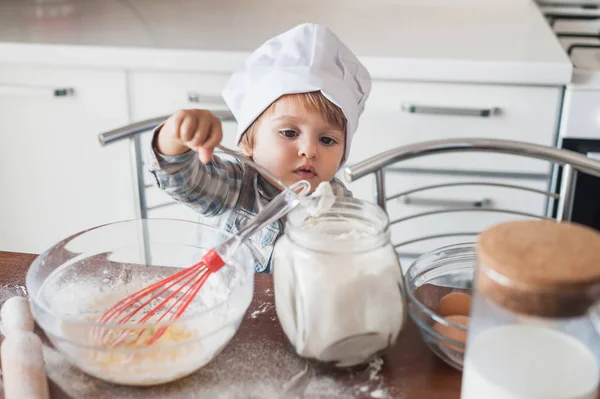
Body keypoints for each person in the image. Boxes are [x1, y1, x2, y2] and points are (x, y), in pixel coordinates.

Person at [147, 23, 372, 273]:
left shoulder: (339, 203)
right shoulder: (236, 187)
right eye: (289, 132)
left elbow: (362, 263)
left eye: (327, 140)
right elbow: (180, 178)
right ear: (247, 142)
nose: (309, 150)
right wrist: (177, 133)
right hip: (228, 307)